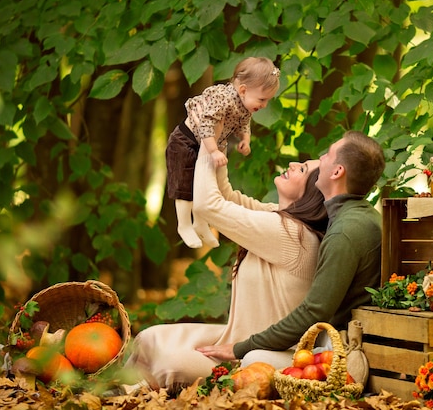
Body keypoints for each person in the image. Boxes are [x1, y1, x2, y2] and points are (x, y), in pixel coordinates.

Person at [124, 142, 328, 393]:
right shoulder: (278, 217)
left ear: (312, 195)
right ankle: (122, 388)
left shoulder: (292, 234)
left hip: (265, 358)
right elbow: (226, 196)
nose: (294, 164)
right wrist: (215, 141)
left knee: (169, 363)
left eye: (304, 169)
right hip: (240, 340)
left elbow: (208, 205)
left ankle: (130, 390)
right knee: (149, 338)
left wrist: (208, 137)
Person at [196, 130, 386, 371]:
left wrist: (241, 347)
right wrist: (217, 138)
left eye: (327, 154)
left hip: (338, 350)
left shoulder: (345, 231)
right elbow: (229, 199)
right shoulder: (356, 217)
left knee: (253, 361)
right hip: (333, 341)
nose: (321, 158)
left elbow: (313, 313)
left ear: (338, 172)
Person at [165, 57, 281, 248]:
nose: (265, 105)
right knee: (185, 187)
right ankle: (184, 225)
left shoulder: (245, 105)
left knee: (208, 187)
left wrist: (245, 139)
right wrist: (213, 151)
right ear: (243, 90)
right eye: (262, 99)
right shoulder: (222, 98)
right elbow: (207, 125)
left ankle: (201, 224)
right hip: (186, 141)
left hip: (212, 146)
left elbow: (244, 123)